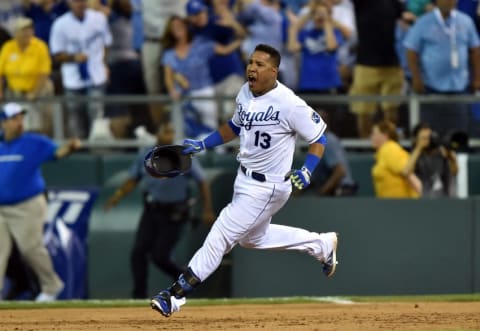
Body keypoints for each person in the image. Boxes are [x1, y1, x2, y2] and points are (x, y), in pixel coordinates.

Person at [150, 44, 339, 317]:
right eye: (251, 62)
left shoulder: (289, 103)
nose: (252, 67)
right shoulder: (244, 91)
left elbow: (318, 137)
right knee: (253, 239)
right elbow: (235, 126)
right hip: (244, 178)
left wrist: (308, 170)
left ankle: (175, 296)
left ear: (274, 71)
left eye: (260, 64)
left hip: (268, 186)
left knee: (221, 234)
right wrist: (204, 144)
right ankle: (321, 244)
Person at [104, 123, 215, 299]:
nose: (169, 135)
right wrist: (117, 196)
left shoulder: (182, 154)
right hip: (152, 210)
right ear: (157, 133)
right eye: (165, 131)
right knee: (138, 252)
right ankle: (138, 295)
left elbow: (202, 181)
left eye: (171, 131)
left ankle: (185, 281)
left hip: (175, 214)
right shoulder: (147, 154)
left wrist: (207, 209)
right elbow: (133, 178)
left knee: (160, 255)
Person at [0, 102, 82, 302]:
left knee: (30, 248)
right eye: (14, 119)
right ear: (3, 123)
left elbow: (57, 152)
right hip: (1, 208)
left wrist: (70, 147)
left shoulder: (34, 142)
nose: (19, 122)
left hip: (27, 205)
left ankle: (51, 285)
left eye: (20, 118)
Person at [404, 0, 480, 137]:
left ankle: (458, 158)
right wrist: (416, 78)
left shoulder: (465, 21)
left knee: (459, 134)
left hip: (459, 88)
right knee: (431, 135)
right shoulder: (424, 22)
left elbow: (475, 50)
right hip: (431, 88)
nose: (449, 2)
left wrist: (477, 78)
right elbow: (411, 50)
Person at [49, 0, 113, 140]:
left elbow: (107, 43)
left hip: (96, 74)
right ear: (69, 3)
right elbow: (56, 54)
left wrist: (104, 63)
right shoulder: (60, 24)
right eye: (76, 1)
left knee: (97, 116)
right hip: (73, 77)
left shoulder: (99, 18)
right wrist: (73, 57)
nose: (80, 4)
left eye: (82, 1)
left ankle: (97, 153)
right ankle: (79, 151)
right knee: (75, 117)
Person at [0, 17, 54, 136]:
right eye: (23, 30)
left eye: (29, 29)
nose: (27, 33)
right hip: (15, 90)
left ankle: (42, 139)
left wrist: (34, 92)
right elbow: (1, 73)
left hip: (38, 88)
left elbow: (44, 72)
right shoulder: (8, 47)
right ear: (15, 33)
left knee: (41, 121)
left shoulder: (40, 46)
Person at [370, 120, 422, 198]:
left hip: (400, 206)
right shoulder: (383, 152)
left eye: (374, 134)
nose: (371, 137)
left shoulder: (390, 149)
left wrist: (423, 198)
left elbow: (408, 174)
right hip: (389, 205)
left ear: (385, 135)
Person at [403, 123, 458, 197]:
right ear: (416, 139)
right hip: (424, 199)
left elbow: (454, 172)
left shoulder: (441, 152)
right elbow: (406, 172)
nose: (427, 141)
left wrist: (452, 158)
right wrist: (419, 148)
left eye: (429, 137)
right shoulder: (415, 155)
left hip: (444, 198)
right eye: (423, 138)